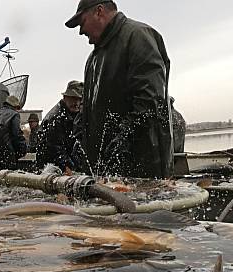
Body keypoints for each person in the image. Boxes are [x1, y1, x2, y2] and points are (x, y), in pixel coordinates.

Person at [66, 0, 173, 178]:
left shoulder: (138, 36)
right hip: (106, 172)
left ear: (99, 12)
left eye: (82, 23)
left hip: (142, 169)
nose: (80, 31)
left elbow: (149, 102)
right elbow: (88, 111)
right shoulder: (93, 59)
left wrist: (122, 140)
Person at [31, 80, 83, 172]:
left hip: (60, 160)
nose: (77, 103)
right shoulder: (56, 118)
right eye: (73, 99)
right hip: (49, 166)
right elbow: (54, 147)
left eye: (79, 99)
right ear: (65, 97)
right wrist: (67, 166)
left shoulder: (73, 114)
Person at [0, 95, 28, 171]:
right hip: (6, 154)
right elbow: (17, 134)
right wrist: (23, 149)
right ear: (15, 107)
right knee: (9, 178)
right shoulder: (14, 114)